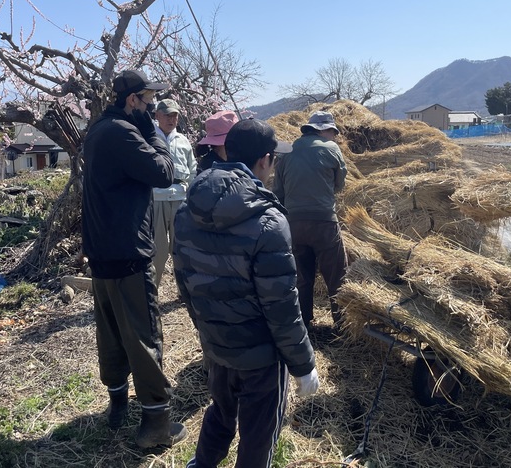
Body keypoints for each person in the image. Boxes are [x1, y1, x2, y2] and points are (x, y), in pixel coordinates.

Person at [173, 118, 319, 468]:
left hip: (216, 343)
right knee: (258, 435)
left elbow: (184, 281)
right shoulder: (269, 222)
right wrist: (303, 365)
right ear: (265, 160)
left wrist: (207, 329)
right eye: (274, 160)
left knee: (221, 411)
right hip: (261, 357)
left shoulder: (188, 209)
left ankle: (201, 464)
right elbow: (282, 306)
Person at [81, 69, 186, 448]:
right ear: (132, 100)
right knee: (143, 335)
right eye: (149, 102)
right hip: (128, 250)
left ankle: (117, 405)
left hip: (102, 251)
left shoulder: (98, 129)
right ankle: (155, 423)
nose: (153, 110)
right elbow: (164, 172)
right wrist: (154, 134)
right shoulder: (124, 133)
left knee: (110, 331)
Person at [272, 110, 349, 330]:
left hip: (294, 223)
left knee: (301, 277)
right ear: (324, 130)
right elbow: (339, 184)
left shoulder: (287, 152)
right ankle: (342, 324)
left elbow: (278, 192)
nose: (334, 136)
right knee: (336, 274)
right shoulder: (332, 149)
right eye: (333, 132)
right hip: (324, 221)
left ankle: (304, 323)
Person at [152, 99, 197, 289]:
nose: (172, 119)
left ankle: (184, 291)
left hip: (180, 198)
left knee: (182, 248)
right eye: (167, 115)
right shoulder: (148, 137)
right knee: (157, 249)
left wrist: (190, 193)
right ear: (157, 115)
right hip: (157, 197)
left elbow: (192, 169)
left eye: (175, 115)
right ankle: (151, 291)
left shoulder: (183, 140)